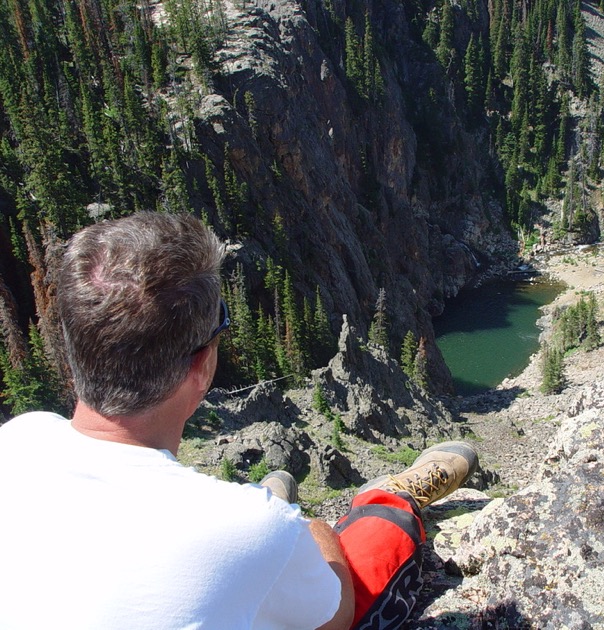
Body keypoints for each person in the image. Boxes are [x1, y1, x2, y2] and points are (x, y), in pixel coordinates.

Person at [0, 212, 478, 629]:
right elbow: (335, 615)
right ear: (202, 364)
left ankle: (273, 496)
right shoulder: (253, 530)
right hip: (260, 541)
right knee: (368, 548)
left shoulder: (19, 438)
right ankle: (391, 498)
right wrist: (305, 527)